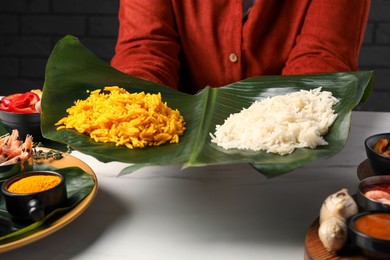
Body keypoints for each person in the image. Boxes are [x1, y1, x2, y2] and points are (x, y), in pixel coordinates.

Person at [111, 0, 371, 94]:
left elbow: (323, 55)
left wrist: (279, 123)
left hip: (292, 145)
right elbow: (145, 46)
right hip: (175, 150)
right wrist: (135, 101)